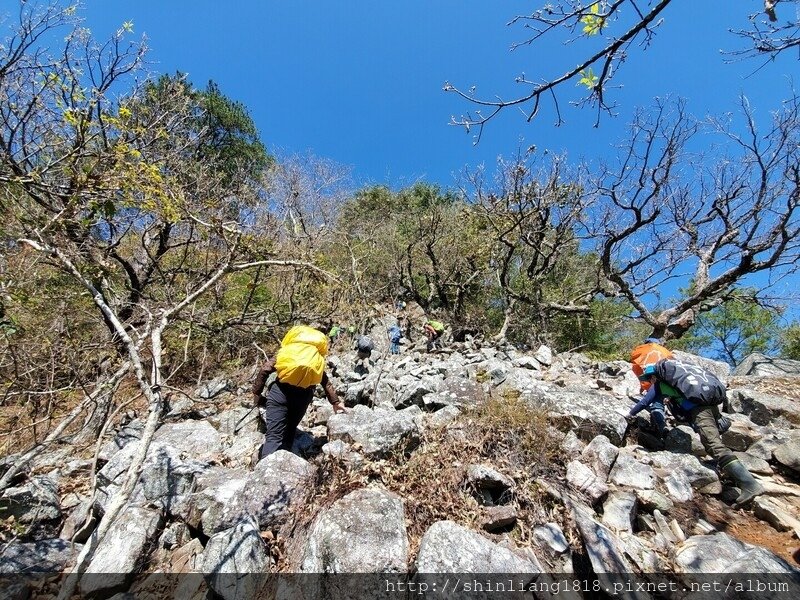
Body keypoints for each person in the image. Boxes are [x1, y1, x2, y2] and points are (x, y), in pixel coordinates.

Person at [633, 360, 764, 506]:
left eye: (650, 378)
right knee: (713, 440)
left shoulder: (659, 384)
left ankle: (749, 484)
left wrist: (629, 413)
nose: (650, 381)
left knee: (713, 445)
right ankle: (730, 473)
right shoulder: (680, 381)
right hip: (711, 405)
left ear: (655, 376)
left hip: (700, 410)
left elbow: (644, 402)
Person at [252, 327, 346, 459]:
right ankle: (285, 461)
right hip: (302, 398)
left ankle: (264, 468)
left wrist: (257, 393)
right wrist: (335, 402)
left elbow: (265, 369)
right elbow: (325, 380)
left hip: (280, 393)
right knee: (290, 430)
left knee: (274, 436)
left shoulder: (286, 352)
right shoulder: (315, 357)